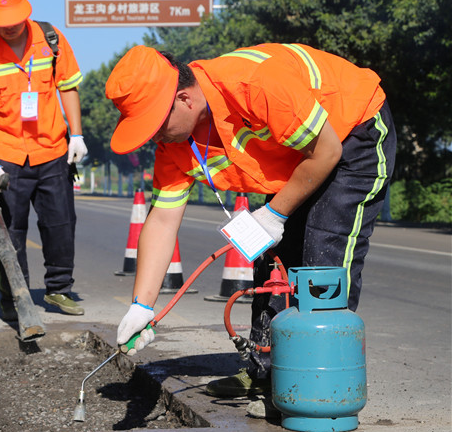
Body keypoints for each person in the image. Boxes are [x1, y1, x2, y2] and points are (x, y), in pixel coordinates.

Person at [105, 44, 396, 401]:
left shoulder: (252, 83)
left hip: (352, 131)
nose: (154, 138)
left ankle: (320, 387)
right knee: (275, 263)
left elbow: (326, 151)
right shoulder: (176, 145)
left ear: (184, 99)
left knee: (324, 254)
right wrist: (142, 305)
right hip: (300, 158)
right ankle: (269, 374)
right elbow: (163, 221)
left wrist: (274, 214)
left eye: (154, 125)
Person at [0, 0, 88, 320]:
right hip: (7, 156)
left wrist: (75, 135)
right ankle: (14, 297)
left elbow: (68, 88)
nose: (8, 27)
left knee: (60, 225)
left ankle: (60, 290)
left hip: (52, 150)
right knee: (11, 232)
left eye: (14, 20)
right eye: (1, 22)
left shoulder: (51, 39)